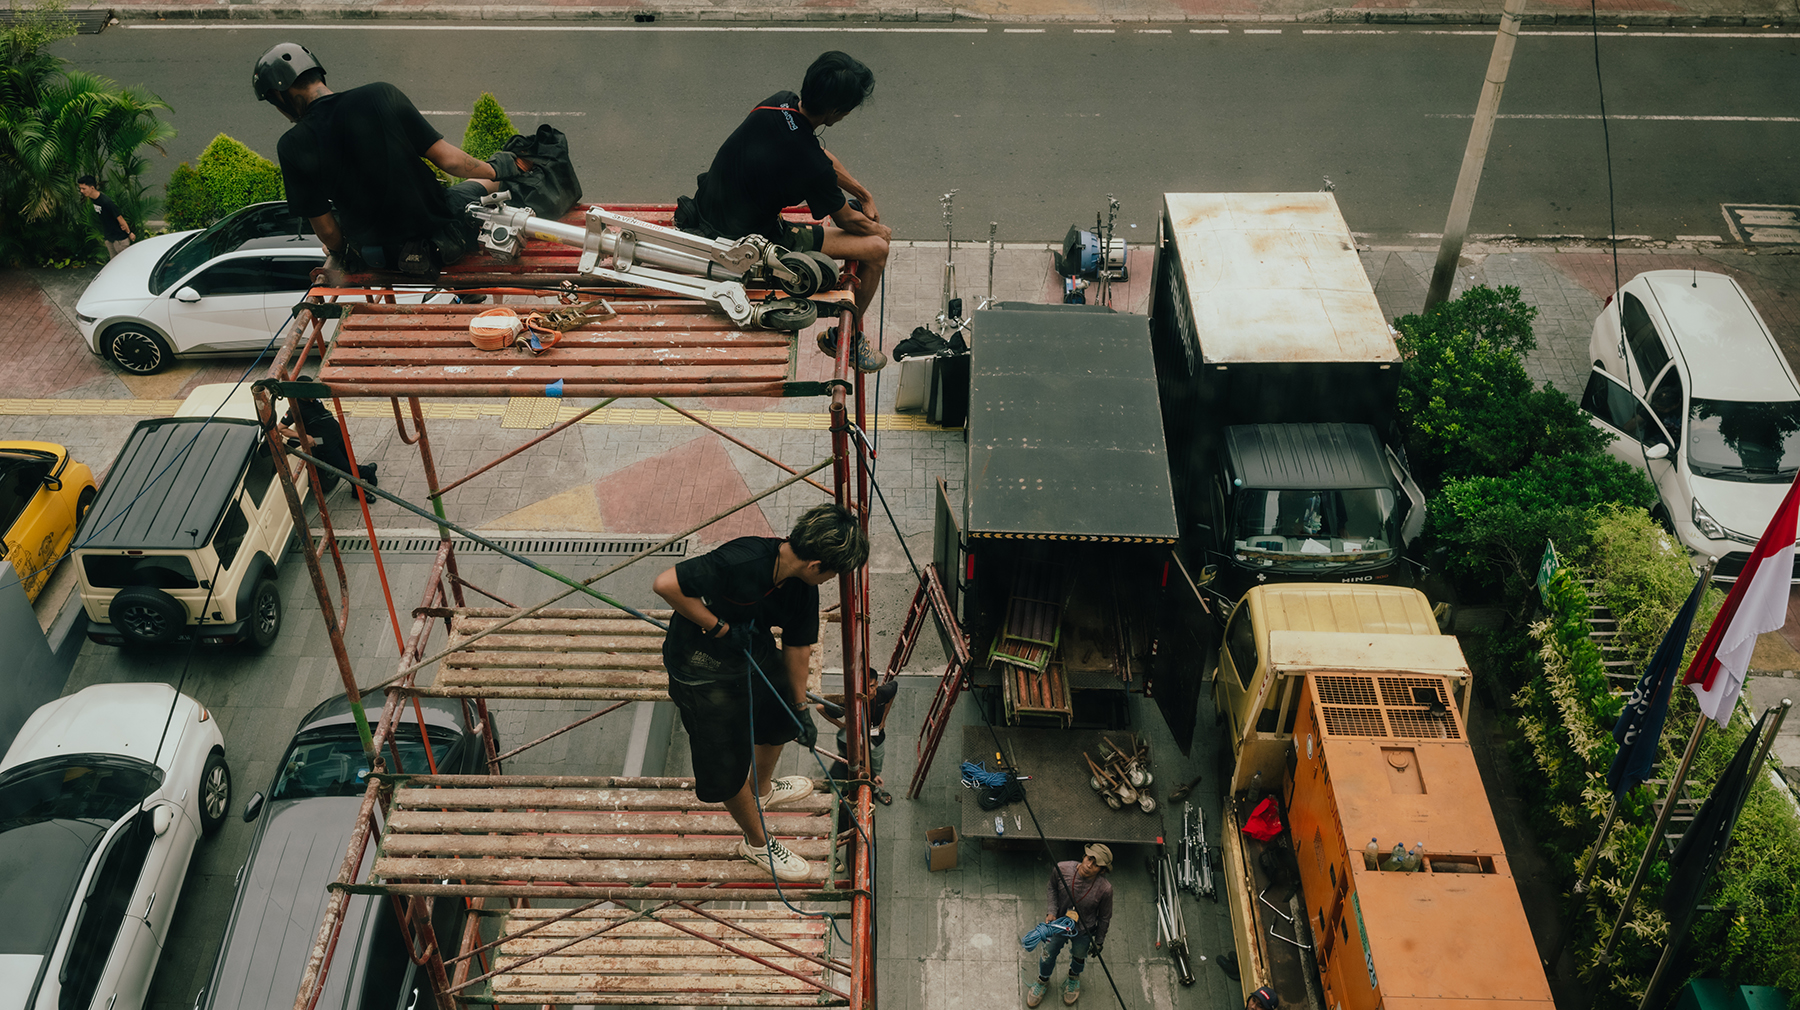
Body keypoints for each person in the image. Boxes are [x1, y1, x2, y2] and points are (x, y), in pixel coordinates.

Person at [652, 503, 870, 882]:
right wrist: (718, 627)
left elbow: (798, 648)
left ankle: (762, 791)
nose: (831, 579)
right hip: (700, 669)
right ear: (816, 565)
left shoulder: (802, 587)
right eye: (833, 573)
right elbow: (666, 584)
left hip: (751, 653)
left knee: (781, 713)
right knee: (726, 761)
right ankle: (755, 842)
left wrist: (800, 708)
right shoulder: (741, 559)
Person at [681, 51, 890, 373]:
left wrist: (864, 195)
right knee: (876, 250)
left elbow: (815, 153)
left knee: (856, 214)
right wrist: (880, 231)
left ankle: (843, 333)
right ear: (835, 112)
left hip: (710, 209)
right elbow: (845, 217)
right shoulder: (809, 164)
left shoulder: (779, 103)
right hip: (744, 240)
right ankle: (843, 340)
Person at [252, 43, 515, 276]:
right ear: (317, 73)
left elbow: (328, 232)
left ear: (279, 94)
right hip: (439, 226)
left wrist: (342, 249)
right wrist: (496, 169)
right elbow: (450, 162)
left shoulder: (291, 145)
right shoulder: (379, 95)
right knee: (491, 184)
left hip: (382, 255)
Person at [1028, 844, 1113, 1007]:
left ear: (1101, 871)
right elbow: (1052, 888)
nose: (1089, 865)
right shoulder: (1062, 868)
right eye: (1089, 859)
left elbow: (1104, 917)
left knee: (1079, 956)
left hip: (1083, 930)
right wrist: (1051, 911)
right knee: (1047, 955)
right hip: (1057, 925)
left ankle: (1073, 977)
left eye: (1096, 865)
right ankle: (1043, 980)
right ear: (1084, 856)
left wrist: (1099, 941)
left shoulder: (1105, 889)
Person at [77, 175, 134, 258]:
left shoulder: (106, 202)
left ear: (92, 188)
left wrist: (129, 233)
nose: (81, 191)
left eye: (84, 188)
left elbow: (120, 218)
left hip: (120, 239)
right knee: (113, 264)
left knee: (124, 263)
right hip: (110, 238)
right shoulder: (94, 199)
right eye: (80, 188)